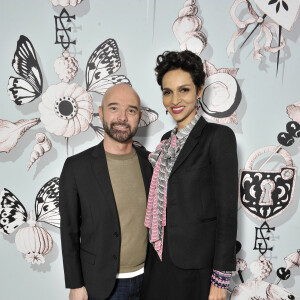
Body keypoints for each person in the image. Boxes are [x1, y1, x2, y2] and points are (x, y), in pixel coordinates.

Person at [141, 51, 238, 300]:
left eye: (183, 90)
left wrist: (220, 279)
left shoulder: (218, 137)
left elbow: (227, 213)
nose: (175, 99)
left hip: (196, 266)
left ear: (199, 90)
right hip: (158, 258)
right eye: (167, 91)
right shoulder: (165, 142)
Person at [59, 84, 152, 300]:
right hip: (101, 286)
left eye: (131, 110)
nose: (122, 117)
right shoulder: (76, 168)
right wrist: (76, 285)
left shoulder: (151, 164)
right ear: (100, 113)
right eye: (114, 108)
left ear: (139, 117)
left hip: (150, 280)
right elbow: (69, 231)